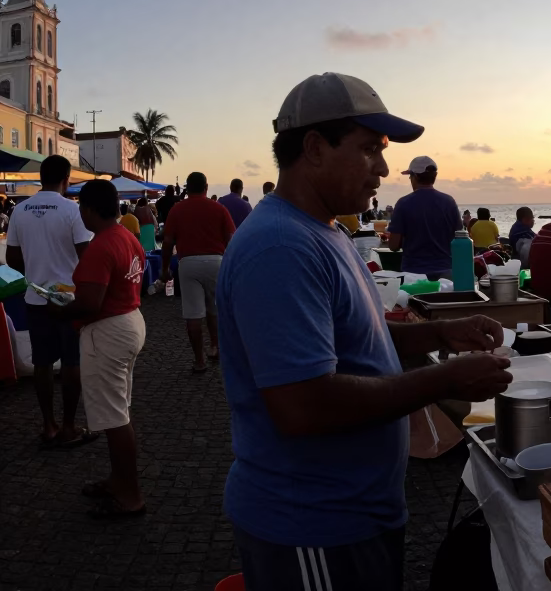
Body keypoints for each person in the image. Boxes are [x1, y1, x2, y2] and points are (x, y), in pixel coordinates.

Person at [219, 72, 512, 590]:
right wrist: (445, 381)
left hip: (354, 513)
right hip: (312, 524)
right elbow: (304, 404)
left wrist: (442, 335)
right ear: (313, 148)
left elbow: (358, 339)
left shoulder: (323, 230)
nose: (383, 168)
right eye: (370, 149)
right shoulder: (281, 248)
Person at [57, 180, 148, 518]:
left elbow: (90, 303)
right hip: (129, 320)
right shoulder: (127, 237)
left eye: (82, 206)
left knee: (114, 417)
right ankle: (119, 480)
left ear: (91, 210)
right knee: (119, 410)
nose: (80, 212)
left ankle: (130, 494)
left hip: (107, 331)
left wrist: (59, 309)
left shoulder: (101, 246)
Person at [6, 155, 97, 448]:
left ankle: (49, 425)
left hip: (35, 298)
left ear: (41, 177)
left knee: (43, 362)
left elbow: (12, 258)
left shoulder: (20, 210)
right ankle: (69, 426)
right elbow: (87, 255)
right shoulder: (72, 210)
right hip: (68, 299)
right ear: (66, 178)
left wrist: (35, 274)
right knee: (72, 361)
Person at [160, 172, 237, 372]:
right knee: (215, 308)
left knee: (193, 314)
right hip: (216, 261)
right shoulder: (219, 208)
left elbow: (167, 242)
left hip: (188, 263)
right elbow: (231, 238)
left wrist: (165, 267)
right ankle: (215, 347)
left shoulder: (177, 210)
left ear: (187, 187)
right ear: (206, 187)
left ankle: (199, 360)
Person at [387, 156, 462, 279]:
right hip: (446, 272)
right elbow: (459, 238)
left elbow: (393, 246)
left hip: (414, 274)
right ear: (434, 176)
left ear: (415, 176)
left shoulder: (403, 203)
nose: (410, 179)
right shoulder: (449, 202)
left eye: (410, 176)